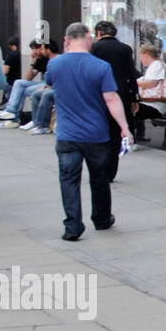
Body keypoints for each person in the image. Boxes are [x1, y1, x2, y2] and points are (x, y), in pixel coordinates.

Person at [46, 23, 133, 241]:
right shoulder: (101, 67)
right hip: (96, 134)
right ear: (88, 38)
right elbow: (111, 98)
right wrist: (124, 127)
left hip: (66, 135)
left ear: (66, 40)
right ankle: (102, 219)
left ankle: (73, 226)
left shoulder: (55, 65)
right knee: (99, 178)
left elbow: (50, 83)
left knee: (68, 179)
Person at [91, 21, 140, 181]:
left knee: (100, 131)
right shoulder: (125, 49)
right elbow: (131, 74)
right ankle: (111, 171)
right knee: (115, 133)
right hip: (121, 94)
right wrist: (135, 96)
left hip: (99, 95)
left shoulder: (94, 48)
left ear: (98, 32)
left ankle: (100, 167)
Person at [0, 38, 56, 124]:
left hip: (49, 84)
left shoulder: (52, 59)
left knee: (24, 90)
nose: (34, 52)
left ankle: (15, 116)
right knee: (18, 82)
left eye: (36, 48)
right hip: (44, 83)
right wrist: (33, 62)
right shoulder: (40, 59)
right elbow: (28, 78)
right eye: (32, 49)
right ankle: (11, 111)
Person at [133, 43, 166, 145]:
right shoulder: (156, 65)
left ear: (146, 55)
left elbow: (151, 83)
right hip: (152, 104)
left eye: (141, 57)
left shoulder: (157, 65)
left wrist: (134, 82)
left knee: (128, 110)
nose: (141, 60)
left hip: (155, 105)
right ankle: (135, 137)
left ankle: (131, 141)